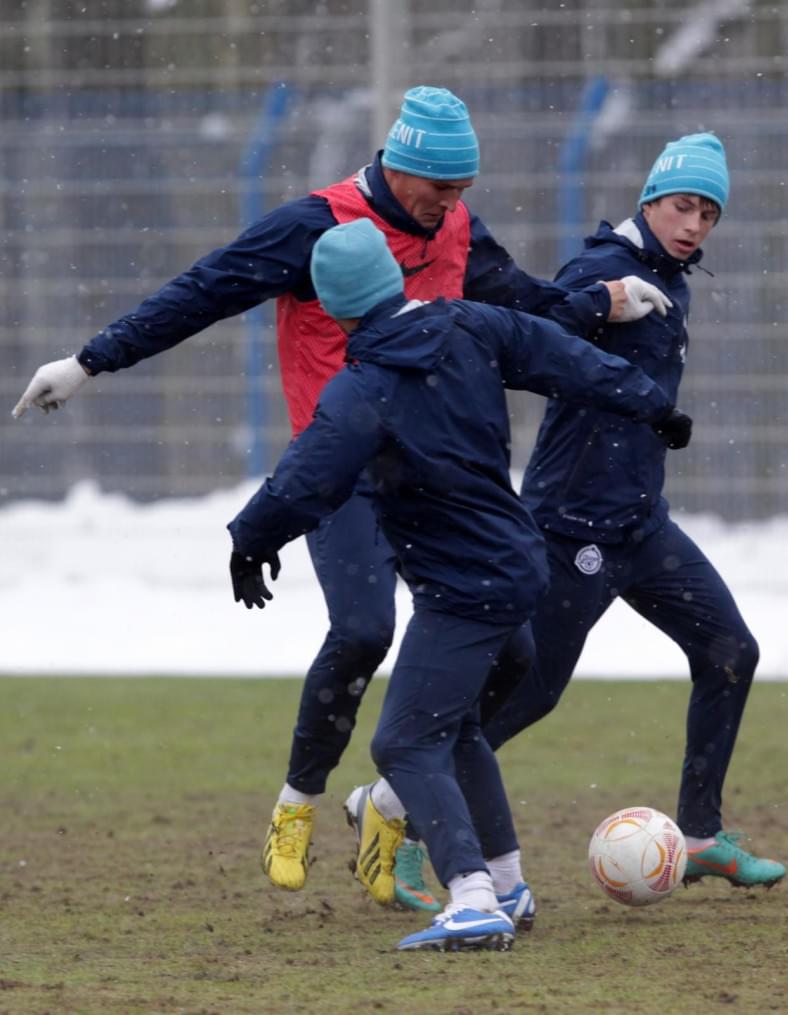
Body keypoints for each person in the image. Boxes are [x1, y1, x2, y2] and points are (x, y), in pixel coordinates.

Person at [11, 85, 666, 911]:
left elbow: (515, 305)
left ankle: (393, 798)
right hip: (346, 466)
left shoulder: (455, 220)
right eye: (440, 188)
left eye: (463, 190)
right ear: (398, 166)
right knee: (363, 627)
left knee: (510, 650)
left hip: (440, 472)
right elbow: (201, 290)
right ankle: (298, 802)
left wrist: (595, 302)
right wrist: (89, 361)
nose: (451, 206)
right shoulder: (313, 226)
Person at [226, 216, 685, 951]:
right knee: (459, 725)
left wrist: (248, 543)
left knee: (404, 741)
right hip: (519, 567)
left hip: (463, 591)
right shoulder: (469, 324)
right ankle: (506, 883)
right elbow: (564, 357)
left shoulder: (362, 389)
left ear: (334, 307)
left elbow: (303, 481)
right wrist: (650, 400)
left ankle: (469, 898)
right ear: (395, 279)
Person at [475, 133, 786, 889]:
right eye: (683, 206)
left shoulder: (669, 277)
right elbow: (532, 351)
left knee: (729, 652)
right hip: (568, 528)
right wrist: (593, 312)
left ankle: (702, 833)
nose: (694, 225)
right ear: (648, 199)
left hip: (640, 526)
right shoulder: (600, 271)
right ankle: (408, 810)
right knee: (528, 695)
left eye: (708, 214)